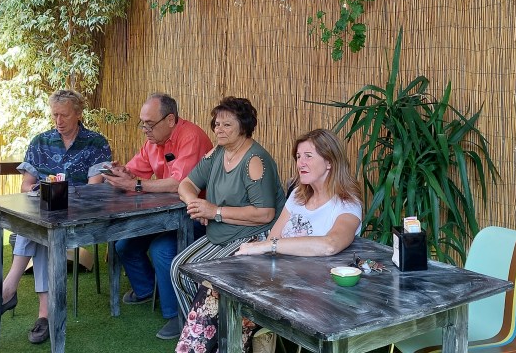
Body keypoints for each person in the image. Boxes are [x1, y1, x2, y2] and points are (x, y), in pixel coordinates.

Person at [176, 128, 363, 353]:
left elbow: (330, 244)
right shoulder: (298, 196)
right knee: (216, 289)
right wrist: (267, 250)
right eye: (298, 157)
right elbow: (275, 234)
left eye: (308, 156)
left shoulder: (347, 204)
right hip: (277, 277)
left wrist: (267, 246)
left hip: (311, 289)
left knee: (228, 300)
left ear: (330, 161)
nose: (300, 163)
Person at [0, 89, 112, 345]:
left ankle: (8, 292)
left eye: (64, 115)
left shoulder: (96, 143)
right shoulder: (40, 142)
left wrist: (61, 193)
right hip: (46, 212)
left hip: (79, 215)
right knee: (40, 228)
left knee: (38, 229)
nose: (58, 121)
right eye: (54, 115)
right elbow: (26, 186)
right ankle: (43, 315)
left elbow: (94, 190)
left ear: (78, 114)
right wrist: (43, 192)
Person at [101, 93, 213, 340]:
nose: (145, 130)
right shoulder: (153, 140)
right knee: (125, 245)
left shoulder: (191, 137)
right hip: (165, 215)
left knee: (162, 249)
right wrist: (121, 172)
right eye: (142, 123)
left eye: (149, 124)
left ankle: (177, 314)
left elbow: (179, 183)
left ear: (170, 120)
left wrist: (135, 184)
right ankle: (147, 289)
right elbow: (134, 171)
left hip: (197, 216)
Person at [172, 96, 286, 324]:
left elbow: (265, 213)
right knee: (179, 270)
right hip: (220, 232)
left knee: (208, 280)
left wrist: (214, 211)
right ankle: (198, 329)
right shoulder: (218, 152)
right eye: (217, 124)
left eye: (227, 124)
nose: (219, 129)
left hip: (253, 236)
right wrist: (195, 205)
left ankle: (217, 332)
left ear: (243, 127)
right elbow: (186, 184)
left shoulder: (255, 160)